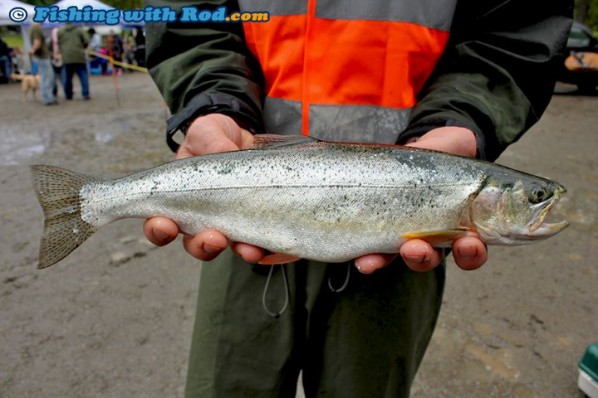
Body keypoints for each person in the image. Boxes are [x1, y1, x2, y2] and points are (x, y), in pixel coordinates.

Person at [143, 1, 573, 397]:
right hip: (243, 216)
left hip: (398, 258)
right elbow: (188, 20)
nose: (540, 202)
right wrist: (216, 102)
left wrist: (461, 117)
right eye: (535, 197)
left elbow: (514, 36)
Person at [58, 23, 90, 100]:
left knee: (68, 78)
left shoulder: (61, 31)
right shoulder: (79, 30)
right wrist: (83, 46)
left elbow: (58, 43)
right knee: (83, 76)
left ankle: (68, 94)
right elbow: (86, 41)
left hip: (67, 57)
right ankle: (85, 93)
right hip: (79, 56)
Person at [29, 23, 56, 105]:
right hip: (42, 56)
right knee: (47, 77)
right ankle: (47, 98)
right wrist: (33, 50)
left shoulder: (32, 28)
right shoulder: (37, 28)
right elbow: (37, 42)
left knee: (45, 77)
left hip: (39, 56)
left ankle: (47, 97)